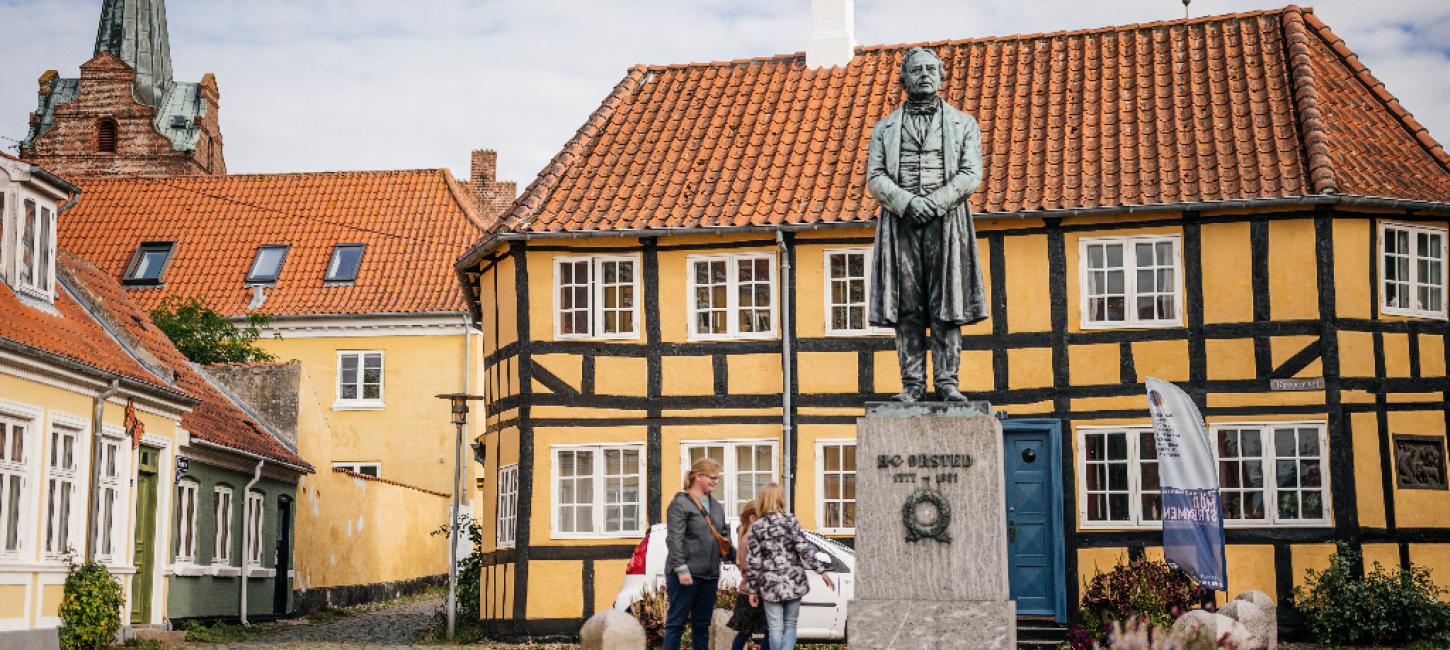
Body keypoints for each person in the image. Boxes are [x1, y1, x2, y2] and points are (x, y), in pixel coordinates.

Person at [865, 46, 987, 403]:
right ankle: (912, 384)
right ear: (903, 78)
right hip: (901, 223)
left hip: (947, 222)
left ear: (942, 75)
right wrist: (906, 203)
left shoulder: (965, 124)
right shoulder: (884, 127)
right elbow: (875, 177)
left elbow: (971, 174)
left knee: (948, 304)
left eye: (931, 69)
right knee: (908, 306)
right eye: (916, 69)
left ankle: (947, 381)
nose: (924, 75)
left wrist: (934, 203)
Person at [745, 483, 833, 650]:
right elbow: (803, 548)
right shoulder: (790, 521)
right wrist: (820, 570)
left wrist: (752, 590)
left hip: (770, 584)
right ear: (780, 499)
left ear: (761, 500)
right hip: (793, 580)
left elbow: (754, 561)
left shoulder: (757, 526)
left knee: (775, 628)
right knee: (790, 625)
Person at [664, 457, 732, 650]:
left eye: (717, 478)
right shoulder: (681, 503)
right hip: (686, 574)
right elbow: (674, 539)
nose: (716, 482)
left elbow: (724, 539)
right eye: (712, 478)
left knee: (702, 626)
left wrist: (743, 564)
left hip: (710, 575)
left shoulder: (717, 507)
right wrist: (681, 568)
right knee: (676, 623)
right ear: (699, 477)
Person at [727, 503, 769, 650]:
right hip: (753, 593)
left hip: (749, 591)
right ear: (753, 518)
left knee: (746, 633)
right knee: (766, 632)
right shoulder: (751, 540)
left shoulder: (747, 538)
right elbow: (752, 569)